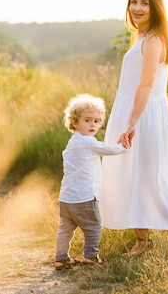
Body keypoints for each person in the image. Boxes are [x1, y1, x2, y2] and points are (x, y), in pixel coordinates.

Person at [99, 0, 168, 258]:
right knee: (137, 173)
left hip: (143, 113)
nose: (137, 7)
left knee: (150, 174)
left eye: (144, 3)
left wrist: (132, 121)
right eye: (133, 1)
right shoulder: (142, 36)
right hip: (134, 109)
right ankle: (146, 241)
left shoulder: (154, 40)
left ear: (155, 7)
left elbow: (146, 84)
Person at [54, 93, 129, 270]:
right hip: (85, 198)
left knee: (65, 230)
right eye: (87, 120)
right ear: (74, 122)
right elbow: (109, 149)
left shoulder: (72, 143)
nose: (93, 124)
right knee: (93, 227)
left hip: (66, 199)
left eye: (96, 121)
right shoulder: (88, 142)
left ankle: (61, 258)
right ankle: (90, 256)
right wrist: (124, 146)